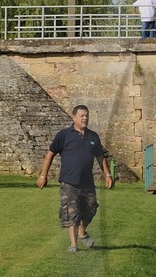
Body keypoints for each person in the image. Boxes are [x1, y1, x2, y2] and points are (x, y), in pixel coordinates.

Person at [36, 104, 113, 252]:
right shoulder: (64, 135)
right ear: (74, 117)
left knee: (91, 208)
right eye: (82, 115)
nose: (85, 118)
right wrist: (43, 175)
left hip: (87, 182)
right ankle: (73, 244)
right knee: (72, 212)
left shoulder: (93, 136)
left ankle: (82, 231)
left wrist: (107, 175)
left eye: (86, 115)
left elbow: (100, 157)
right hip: (69, 182)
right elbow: (50, 154)